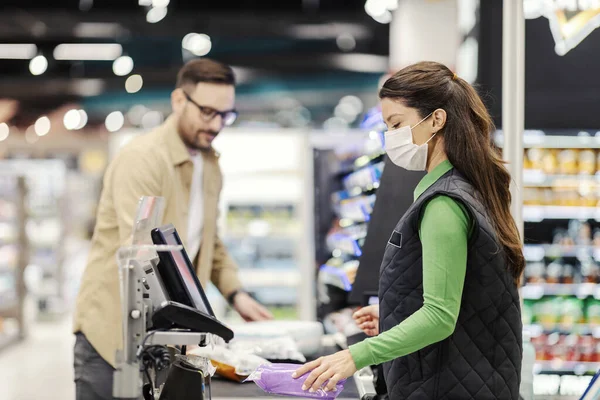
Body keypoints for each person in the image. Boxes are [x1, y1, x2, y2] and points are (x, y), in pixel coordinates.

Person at [294, 61, 524, 399]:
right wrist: (394, 313)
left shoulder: (444, 204)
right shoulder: (469, 190)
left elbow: (439, 316)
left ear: (436, 119)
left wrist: (353, 357)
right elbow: (467, 296)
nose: (392, 137)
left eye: (397, 123)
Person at [73, 58, 273, 400]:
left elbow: (210, 240)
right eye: (208, 112)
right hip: (112, 336)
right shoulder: (143, 159)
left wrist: (236, 294)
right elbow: (142, 256)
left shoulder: (210, 165)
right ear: (179, 100)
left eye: (226, 115)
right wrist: (190, 330)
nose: (217, 125)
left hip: (162, 338)